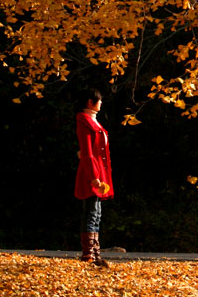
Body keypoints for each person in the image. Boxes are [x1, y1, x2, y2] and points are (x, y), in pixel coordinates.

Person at [75, 88, 114, 267]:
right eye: (99, 100)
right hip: (92, 173)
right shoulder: (84, 121)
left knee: (96, 213)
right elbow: (87, 152)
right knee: (91, 211)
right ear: (90, 102)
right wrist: (94, 177)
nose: (101, 103)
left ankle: (95, 254)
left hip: (99, 172)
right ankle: (88, 255)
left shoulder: (93, 121)